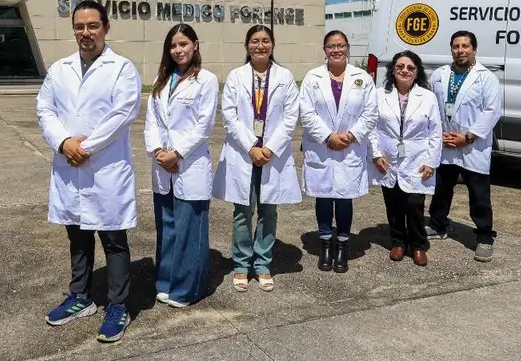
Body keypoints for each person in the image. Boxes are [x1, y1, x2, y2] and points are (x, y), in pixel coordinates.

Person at [36, 0, 142, 343]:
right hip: (69, 164)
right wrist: (64, 141)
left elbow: (122, 114)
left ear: (106, 27)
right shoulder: (59, 68)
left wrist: (86, 147)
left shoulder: (122, 68)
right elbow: (44, 109)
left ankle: (118, 305)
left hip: (105, 169)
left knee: (113, 238)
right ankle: (80, 297)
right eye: (79, 27)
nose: (86, 33)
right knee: (77, 237)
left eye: (92, 26)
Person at [212, 24, 301, 293]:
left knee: (268, 211)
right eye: (254, 41)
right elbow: (229, 116)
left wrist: (270, 148)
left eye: (264, 41)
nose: (259, 46)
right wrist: (251, 146)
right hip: (244, 153)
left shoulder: (285, 77)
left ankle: (262, 264)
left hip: (272, 155)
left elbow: (290, 117)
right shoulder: (237, 76)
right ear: (247, 45)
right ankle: (241, 264)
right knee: (243, 211)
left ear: (272, 45)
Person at [144, 23, 219, 308]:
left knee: (190, 229)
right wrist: (157, 151)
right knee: (167, 227)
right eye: (173, 46)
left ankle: (188, 289)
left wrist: (177, 153)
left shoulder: (207, 80)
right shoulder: (161, 80)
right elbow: (151, 121)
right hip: (163, 164)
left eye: (184, 44)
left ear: (195, 45)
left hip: (189, 164)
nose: (178, 50)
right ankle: (165, 283)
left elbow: (204, 125)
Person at [298, 30, 377, 273]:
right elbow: (306, 112)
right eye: (331, 46)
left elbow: (371, 113)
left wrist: (350, 136)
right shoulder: (313, 78)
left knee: (344, 196)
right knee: (323, 195)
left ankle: (342, 245)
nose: (336, 50)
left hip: (349, 147)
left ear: (347, 48)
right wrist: (327, 137)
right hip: (322, 146)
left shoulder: (362, 78)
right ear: (324, 50)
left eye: (341, 45)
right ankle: (325, 244)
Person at [427, 30, 503, 262]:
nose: (460, 51)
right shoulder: (439, 75)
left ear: (474, 50)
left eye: (465, 46)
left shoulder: (486, 77)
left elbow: (492, 111)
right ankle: (439, 225)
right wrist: (436, 134)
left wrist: (468, 137)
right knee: (441, 189)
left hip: (472, 145)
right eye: (456, 46)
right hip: (446, 142)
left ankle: (484, 237)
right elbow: (432, 106)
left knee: (479, 194)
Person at [370, 50, 442, 266]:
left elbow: (435, 131)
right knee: (392, 203)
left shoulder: (427, 97)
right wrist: (375, 154)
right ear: (393, 70)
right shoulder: (379, 94)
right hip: (388, 158)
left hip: (417, 159)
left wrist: (431, 162)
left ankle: (418, 245)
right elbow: (371, 127)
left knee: (413, 204)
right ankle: (398, 242)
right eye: (400, 66)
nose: (405, 71)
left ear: (417, 71)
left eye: (410, 67)